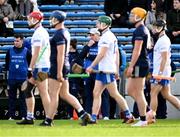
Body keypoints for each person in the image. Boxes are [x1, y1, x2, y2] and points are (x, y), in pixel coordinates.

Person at [40, 10, 91, 126]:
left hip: (58, 66)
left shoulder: (59, 33)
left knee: (53, 94)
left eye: (53, 18)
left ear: (58, 20)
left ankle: (48, 120)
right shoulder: (64, 32)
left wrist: (58, 72)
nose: (51, 20)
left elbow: (61, 54)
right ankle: (83, 114)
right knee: (65, 94)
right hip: (63, 65)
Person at [86, 15, 134, 124]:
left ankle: (128, 114)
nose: (97, 25)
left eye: (98, 23)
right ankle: (93, 118)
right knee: (96, 92)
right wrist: (116, 69)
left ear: (104, 24)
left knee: (114, 94)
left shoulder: (106, 37)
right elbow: (116, 54)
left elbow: (102, 54)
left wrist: (91, 66)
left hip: (106, 69)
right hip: (105, 69)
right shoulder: (110, 36)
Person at [16, 11, 51, 125]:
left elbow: (35, 53)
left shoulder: (38, 33)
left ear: (36, 20)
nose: (28, 21)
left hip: (40, 67)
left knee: (43, 92)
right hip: (41, 66)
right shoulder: (41, 32)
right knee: (27, 90)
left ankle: (48, 119)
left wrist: (30, 69)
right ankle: (30, 117)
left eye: (30, 19)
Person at [146, 19, 180, 124]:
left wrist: (160, 74)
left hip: (161, 72)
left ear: (161, 28)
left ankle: (151, 117)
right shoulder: (161, 39)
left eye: (156, 27)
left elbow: (164, 59)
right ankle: (152, 116)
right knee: (167, 95)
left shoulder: (164, 40)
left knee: (153, 93)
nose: (154, 29)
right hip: (161, 71)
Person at [76, 28, 110, 120]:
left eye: (92, 35)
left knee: (103, 93)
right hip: (89, 73)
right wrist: (87, 46)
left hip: (100, 71)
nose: (90, 37)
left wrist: (91, 57)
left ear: (98, 35)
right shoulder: (88, 45)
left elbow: (102, 56)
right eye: (90, 35)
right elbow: (80, 57)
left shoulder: (102, 44)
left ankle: (106, 114)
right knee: (88, 94)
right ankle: (88, 114)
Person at [126, 7, 151, 126]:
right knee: (130, 90)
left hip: (140, 64)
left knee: (139, 91)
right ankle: (149, 112)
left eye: (132, 15)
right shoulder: (140, 29)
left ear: (138, 16)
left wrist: (131, 66)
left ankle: (143, 119)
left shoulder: (140, 30)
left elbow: (137, 50)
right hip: (139, 63)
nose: (130, 17)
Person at [5, 34, 32, 120]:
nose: (15, 42)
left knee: (23, 99)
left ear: (22, 41)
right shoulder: (9, 51)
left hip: (23, 79)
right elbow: (7, 64)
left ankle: (24, 116)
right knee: (11, 98)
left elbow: (30, 63)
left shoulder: (27, 51)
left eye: (17, 41)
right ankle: (11, 116)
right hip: (12, 78)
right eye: (14, 41)